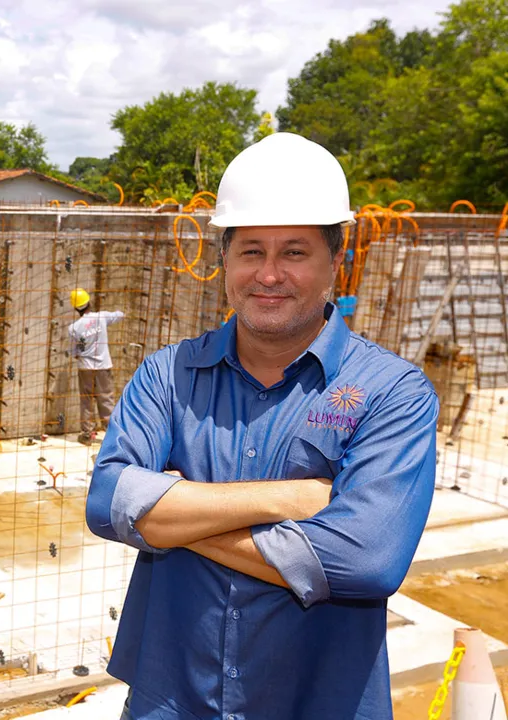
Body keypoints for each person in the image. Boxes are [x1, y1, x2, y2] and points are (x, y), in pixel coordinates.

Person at [86, 133, 438, 719]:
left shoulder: (391, 392)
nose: (268, 275)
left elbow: (365, 560)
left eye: (294, 252)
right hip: (172, 697)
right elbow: (107, 502)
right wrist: (289, 499)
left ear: (335, 262)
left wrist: (173, 517)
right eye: (251, 251)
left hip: (318, 700)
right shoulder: (169, 374)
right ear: (224, 259)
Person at [67, 288, 124, 445]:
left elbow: (73, 351)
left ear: (75, 307)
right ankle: (111, 435)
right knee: (105, 399)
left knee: (86, 401)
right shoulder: (101, 317)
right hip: (103, 367)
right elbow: (119, 315)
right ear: (89, 303)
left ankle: (86, 435)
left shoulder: (74, 328)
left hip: (85, 368)